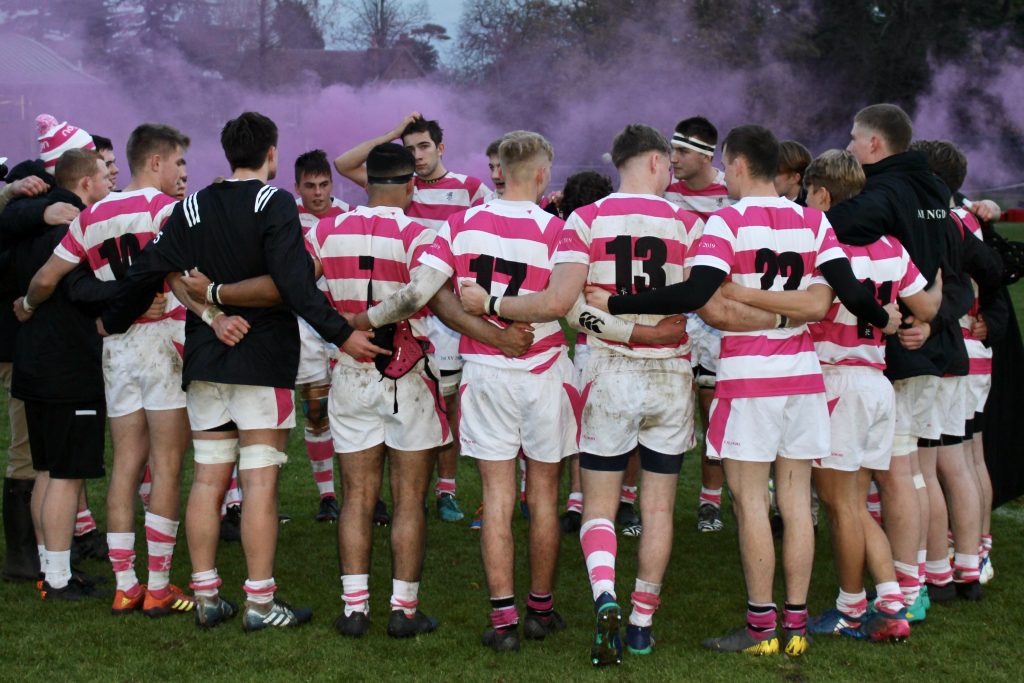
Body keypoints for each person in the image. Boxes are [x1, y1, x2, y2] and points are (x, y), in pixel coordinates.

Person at [587, 125, 900, 657]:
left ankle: (761, 629)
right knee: (796, 505)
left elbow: (694, 292)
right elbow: (847, 292)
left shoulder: (726, 221)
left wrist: (615, 304)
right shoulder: (811, 219)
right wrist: (882, 316)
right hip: (802, 378)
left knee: (752, 503)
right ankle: (795, 629)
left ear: (734, 165)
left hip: (749, 381)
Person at [98, 111, 371, 632]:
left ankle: (206, 598)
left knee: (207, 479)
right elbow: (293, 284)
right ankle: (261, 603)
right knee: (260, 482)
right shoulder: (274, 203)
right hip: (261, 359)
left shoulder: (193, 203)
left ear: (227, 154)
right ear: (271, 154)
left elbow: (155, 269)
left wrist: (116, 319)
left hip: (204, 358)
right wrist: (342, 334)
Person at [461, 124, 704, 664]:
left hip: (609, 372)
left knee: (598, 504)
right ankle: (641, 623)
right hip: (670, 374)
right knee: (658, 508)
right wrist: (653, 330)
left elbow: (565, 305)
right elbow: (708, 300)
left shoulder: (586, 219)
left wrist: (496, 306)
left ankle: (605, 598)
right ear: (660, 164)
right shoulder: (689, 222)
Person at [349, 131, 577, 653]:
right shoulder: (559, 231)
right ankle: (539, 610)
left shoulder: (462, 224)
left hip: (487, 374)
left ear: (501, 171)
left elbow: (419, 294)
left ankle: (502, 622)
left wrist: (358, 321)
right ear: (542, 174)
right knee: (543, 496)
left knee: (496, 499)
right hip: (544, 371)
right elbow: (562, 304)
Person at [309, 143, 526, 638]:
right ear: (411, 185)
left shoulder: (325, 230)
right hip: (406, 373)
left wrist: (341, 326)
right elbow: (438, 303)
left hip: (349, 367)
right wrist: (498, 337)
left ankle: (354, 609)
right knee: (408, 499)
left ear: (365, 185)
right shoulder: (418, 234)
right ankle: (403, 610)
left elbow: (297, 285)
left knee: (357, 496)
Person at [752, 150, 939, 642]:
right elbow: (922, 304)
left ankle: (851, 608)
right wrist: (930, 296)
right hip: (877, 382)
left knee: (842, 507)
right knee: (854, 504)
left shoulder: (822, 241)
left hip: (837, 380)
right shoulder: (891, 246)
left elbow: (807, 304)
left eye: (809, 193)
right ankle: (893, 601)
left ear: (823, 194)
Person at [827, 104, 1000, 610]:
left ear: (875, 145)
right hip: (937, 345)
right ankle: (941, 573)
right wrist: (939, 317)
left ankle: (911, 586)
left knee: (903, 474)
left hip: (901, 349)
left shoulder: (888, 192)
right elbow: (967, 276)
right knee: (932, 468)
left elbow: (825, 227)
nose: (852, 146)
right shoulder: (935, 193)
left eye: (855, 139)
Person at [21, 124, 195, 618]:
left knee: (124, 464)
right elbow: (190, 278)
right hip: (161, 342)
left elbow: (46, 278)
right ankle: (157, 585)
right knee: (164, 464)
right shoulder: (169, 211)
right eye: (178, 162)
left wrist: (28, 304)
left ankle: (125, 584)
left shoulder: (91, 214)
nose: (182, 172)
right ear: (156, 162)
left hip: (115, 347)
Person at [336, 114, 488, 524]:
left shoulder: (470, 188)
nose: (416, 156)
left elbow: (489, 231)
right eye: (410, 149)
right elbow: (344, 164)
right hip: (397, 307)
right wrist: (390, 137)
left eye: (423, 147)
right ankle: (392, 492)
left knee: (447, 401)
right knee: (404, 399)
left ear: (440, 147)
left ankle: (446, 490)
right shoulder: (398, 184)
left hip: (442, 306)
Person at [11, 149, 111, 599]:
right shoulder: (74, 229)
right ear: (85, 184)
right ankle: (57, 576)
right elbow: (77, 289)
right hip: (68, 366)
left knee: (48, 470)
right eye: (106, 177)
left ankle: (52, 569)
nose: (111, 184)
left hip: (32, 362)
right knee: (66, 475)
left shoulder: (31, 230)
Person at [664, 115, 735, 533]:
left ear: (706, 155)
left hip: (717, 319)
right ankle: (635, 501)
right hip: (671, 313)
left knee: (712, 412)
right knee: (663, 410)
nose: (673, 160)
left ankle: (710, 502)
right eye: (672, 151)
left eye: (682, 152)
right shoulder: (664, 192)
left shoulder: (730, 192)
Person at [293, 149, 351, 522]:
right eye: (310, 186)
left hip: (343, 320)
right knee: (317, 411)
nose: (318, 193)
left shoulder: (348, 214)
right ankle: (327, 496)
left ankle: (362, 495)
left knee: (352, 408)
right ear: (297, 186)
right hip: (303, 324)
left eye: (324, 184)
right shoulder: (285, 216)